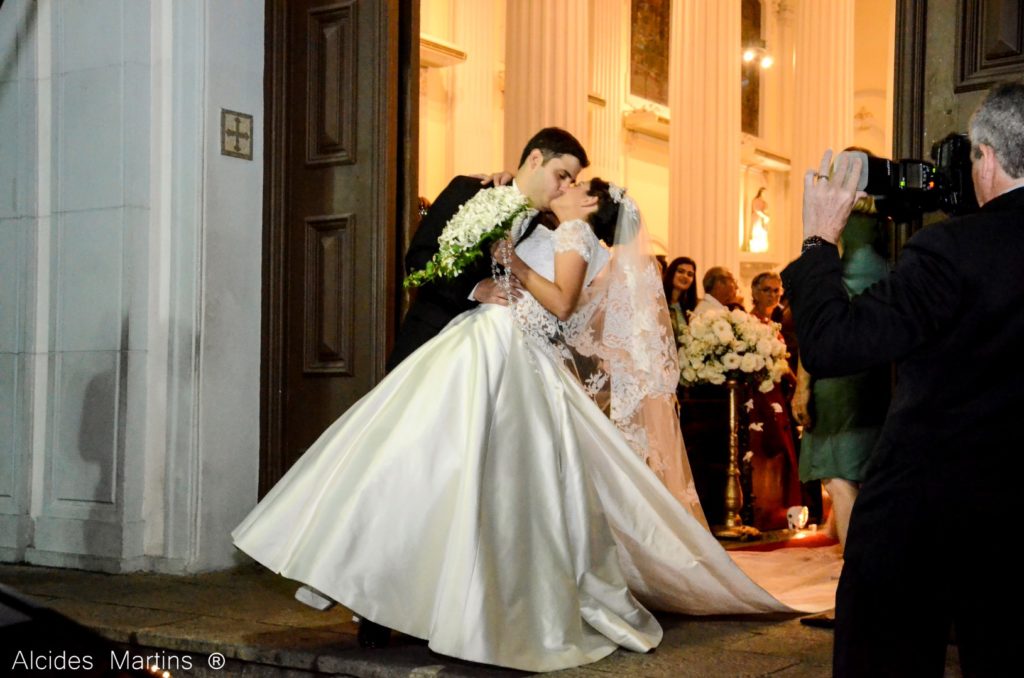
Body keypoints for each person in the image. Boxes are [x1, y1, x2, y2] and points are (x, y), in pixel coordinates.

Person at [235, 180, 834, 673]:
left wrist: (513, 263)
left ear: (590, 206)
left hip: (507, 355)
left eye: (576, 184)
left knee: (462, 477)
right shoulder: (549, 227)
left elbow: (562, 303)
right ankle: (398, 596)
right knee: (430, 466)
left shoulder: (574, 237)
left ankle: (438, 601)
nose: (565, 186)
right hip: (481, 347)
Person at [782, 82, 1024, 677]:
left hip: (929, 507)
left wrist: (818, 240)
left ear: (987, 157)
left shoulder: (952, 250)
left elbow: (833, 343)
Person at [386, 127, 589, 371]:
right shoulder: (469, 190)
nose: (565, 187)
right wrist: (475, 289)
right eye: (561, 176)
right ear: (535, 159)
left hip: (485, 362)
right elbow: (418, 259)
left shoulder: (547, 228)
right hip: (429, 341)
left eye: (571, 181)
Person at [790, 199, 890, 551]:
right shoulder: (895, 226)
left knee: (838, 475)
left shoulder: (832, 223)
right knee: (864, 467)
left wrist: (802, 387)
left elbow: (814, 314)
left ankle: (855, 567)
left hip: (837, 370)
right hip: (880, 367)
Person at [746, 272, 801, 530]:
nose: (772, 295)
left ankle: (782, 509)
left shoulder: (775, 325)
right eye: (766, 290)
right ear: (754, 292)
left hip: (778, 392)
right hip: (759, 396)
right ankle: (761, 509)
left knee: (784, 449)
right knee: (762, 447)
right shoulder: (748, 323)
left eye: (776, 290)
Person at [662, 256, 698, 342]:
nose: (685, 276)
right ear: (671, 273)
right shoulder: (659, 302)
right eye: (680, 271)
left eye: (690, 274)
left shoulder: (690, 308)